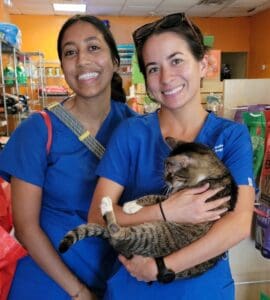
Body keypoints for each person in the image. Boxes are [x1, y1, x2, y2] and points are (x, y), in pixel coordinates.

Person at [88, 12, 255, 299]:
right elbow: (98, 216)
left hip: (201, 289)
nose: (166, 78)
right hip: (134, 288)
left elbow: (239, 223)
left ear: (203, 64)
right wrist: (165, 211)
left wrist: (163, 267)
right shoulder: (131, 134)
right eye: (153, 68)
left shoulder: (230, 137)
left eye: (176, 60)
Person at [0, 14, 137, 300]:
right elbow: (25, 227)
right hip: (46, 284)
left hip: (113, 281)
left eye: (93, 48)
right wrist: (79, 292)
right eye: (70, 52)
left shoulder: (134, 127)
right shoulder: (37, 131)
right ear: (63, 67)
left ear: (115, 62)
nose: (83, 60)